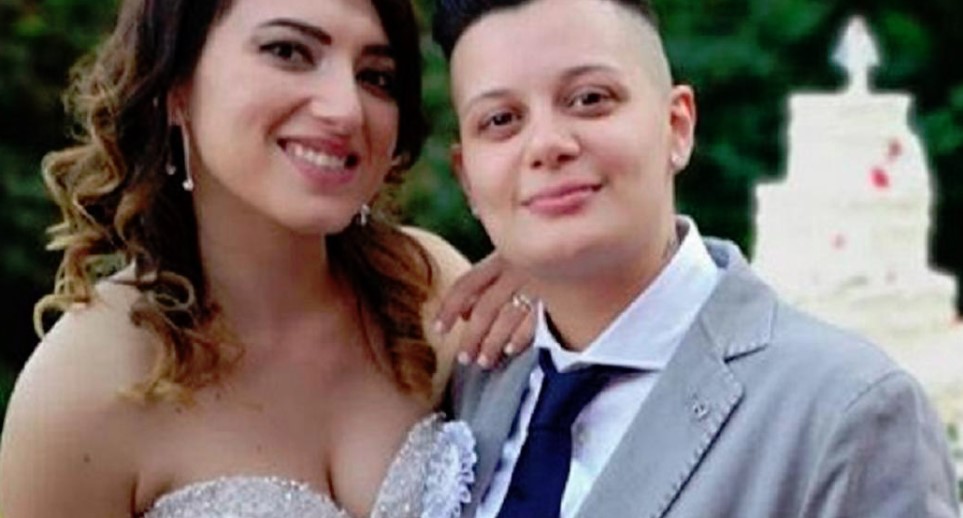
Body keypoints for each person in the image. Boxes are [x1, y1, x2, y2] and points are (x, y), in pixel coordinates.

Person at [0, 0, 534, 516]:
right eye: (288, 52)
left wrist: (558, 291)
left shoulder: (429, 289)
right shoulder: (80, 392)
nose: (346, 110)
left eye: (376, 77)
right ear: (177, 84)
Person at [433, 0, 962, 516]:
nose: (547, 144)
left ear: (678, 126)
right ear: (467, 178)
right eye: (501, 119)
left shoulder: (847, 411)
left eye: (590, 99)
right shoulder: (470, 384)